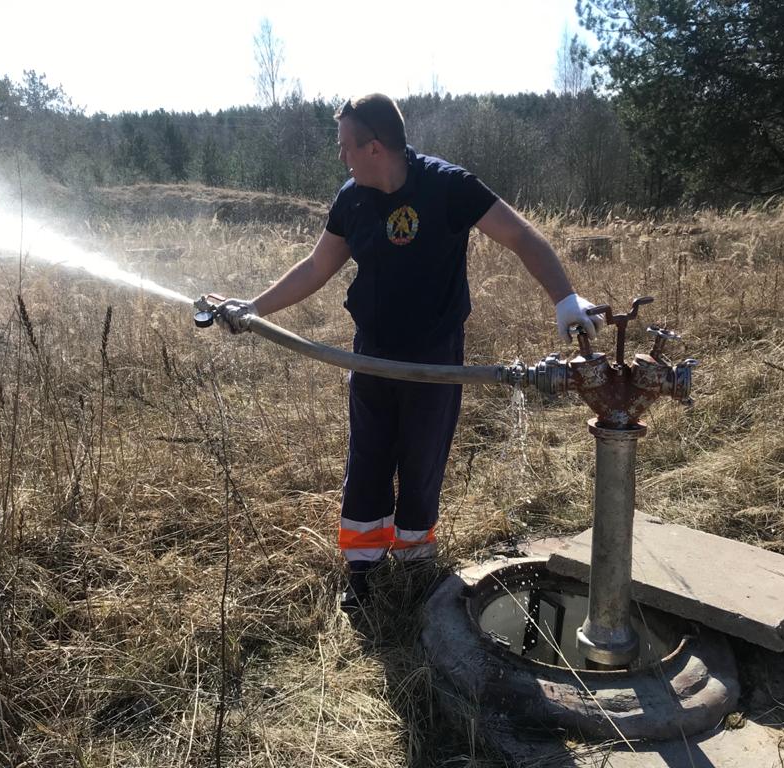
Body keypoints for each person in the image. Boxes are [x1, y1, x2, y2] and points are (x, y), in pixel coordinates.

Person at [220, 94, 602, 610]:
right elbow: (316, 267)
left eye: (346, 146)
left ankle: (416, 568)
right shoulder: (352, 199)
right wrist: (253, 308)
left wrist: (565, 298)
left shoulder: (448, 186)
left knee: (421, 461)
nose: (341, 157)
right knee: (368, 458)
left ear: (374, 147)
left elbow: (520, 235)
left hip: (433, 358)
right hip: (370, 354)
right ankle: (363, 570)